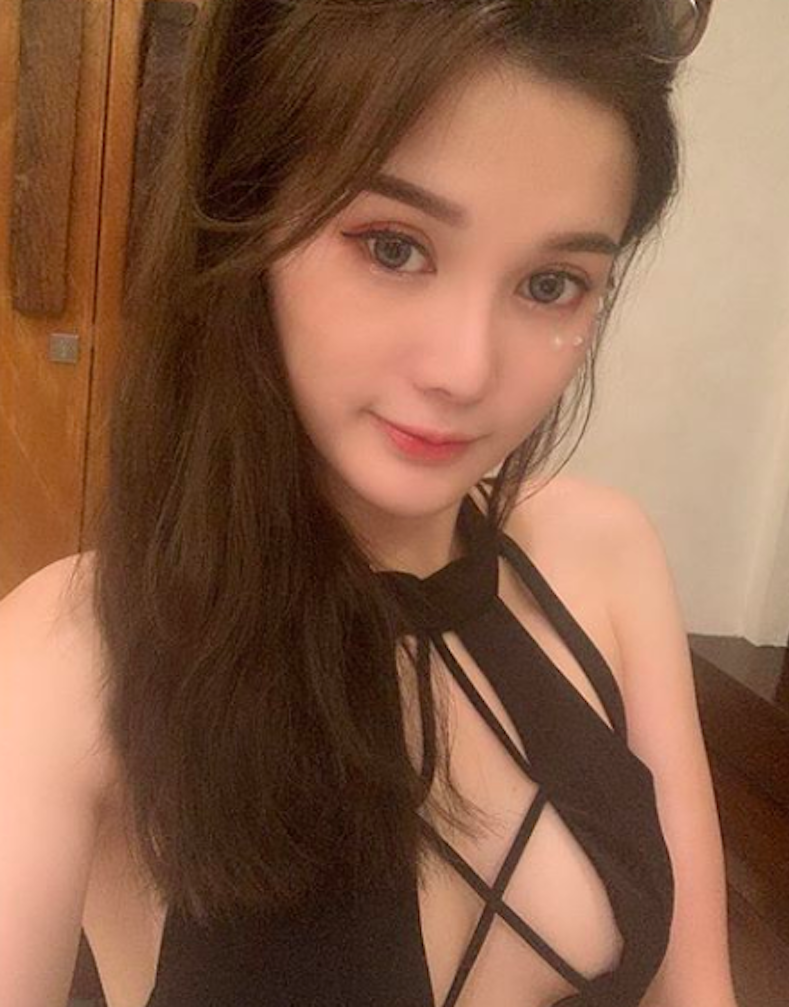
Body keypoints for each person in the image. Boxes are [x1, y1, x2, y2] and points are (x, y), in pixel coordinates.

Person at [0, 0, 740, 1005]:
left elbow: (696, 991)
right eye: (394, 246)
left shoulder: (604, 556)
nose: (464, 369)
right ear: (250, 219)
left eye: (549, 284)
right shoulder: (69, 658)